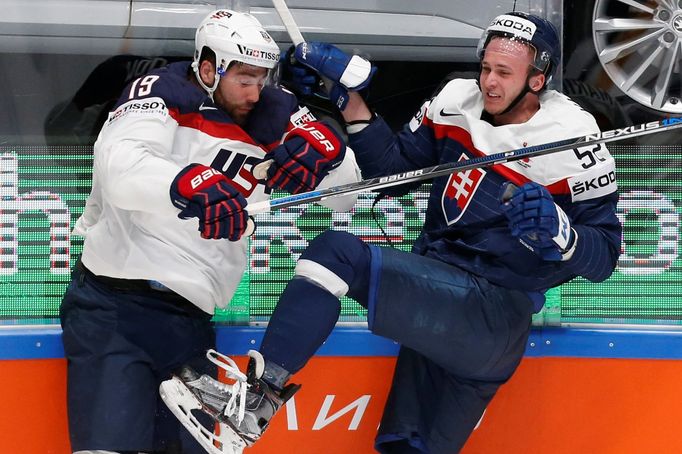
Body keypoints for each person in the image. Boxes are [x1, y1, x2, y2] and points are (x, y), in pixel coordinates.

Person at [160, 11, 622, 454]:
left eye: (504, 72)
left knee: (335, 254)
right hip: (448, 307)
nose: (490, 82)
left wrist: (562, 232)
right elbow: (393, 168)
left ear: (537, 79)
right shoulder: (455, 100)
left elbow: (603, 257)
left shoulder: (573, 139)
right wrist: (349, 102)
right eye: (485, 67)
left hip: (494, 314)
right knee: (410, 448)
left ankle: (255, 405)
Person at [59, 8, 361, 454]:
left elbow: (346, 196)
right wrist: (187, 183)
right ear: (207, 68)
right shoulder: (161, 91)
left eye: (263, 78)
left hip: (191, 321)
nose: (255, 92)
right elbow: (119, 166)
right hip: (113, 305)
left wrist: (330, 154)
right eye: (244, 78)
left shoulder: (273, 108)